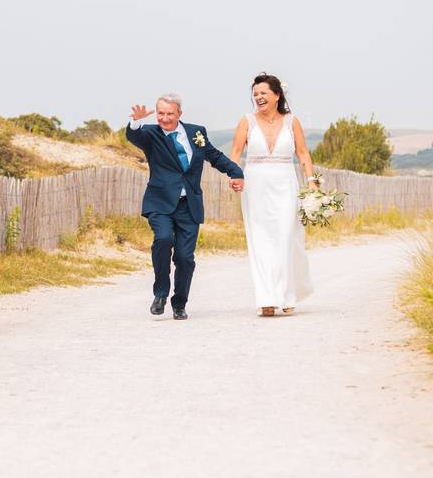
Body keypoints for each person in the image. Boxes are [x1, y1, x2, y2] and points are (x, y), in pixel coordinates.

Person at [126, 94, 244, 320]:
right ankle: (160, 293)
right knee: (163, 239)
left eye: (170, 113)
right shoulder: (150, 134)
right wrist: (135, 122)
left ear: (180, 114)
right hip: (160, 202)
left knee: (184, 258)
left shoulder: (196, 132)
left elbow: (214, 156)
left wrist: (235, 172)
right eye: (161, 113)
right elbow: (134, 135)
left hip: (189, 205)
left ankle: (179, 303)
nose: (165, 118)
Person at [230, 74, 314, 316]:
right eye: (255, 94)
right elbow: (235, 153)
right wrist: (234, 175)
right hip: (255, 186)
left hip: (285, 184)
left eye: (263, 93)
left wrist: (311, 182)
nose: (258, 97)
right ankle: (266, 298)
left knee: (285, 237)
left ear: (277, 95)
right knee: (260, 240)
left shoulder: (292, 121)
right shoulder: (246, 121)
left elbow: (304, 154)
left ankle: (287, 295)